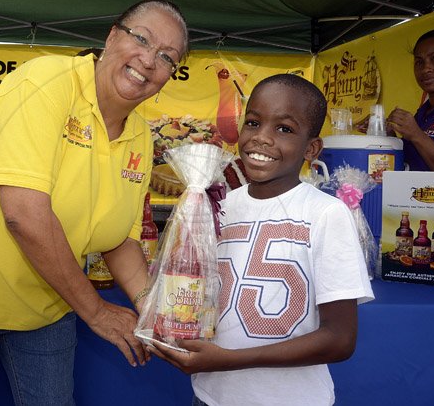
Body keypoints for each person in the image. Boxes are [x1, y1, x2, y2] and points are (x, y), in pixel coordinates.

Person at [0, 0, 188, 405]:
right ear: (111, 36)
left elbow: (119, 240)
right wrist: (96, 312)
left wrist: (156, 312)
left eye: (166, 57)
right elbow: (23, 214)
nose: (148, 59)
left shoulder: (140, 136)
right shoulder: (48, 81)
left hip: (49, 302)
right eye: (141, 38)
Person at [149, 74, 374, 406]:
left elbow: (340, 340)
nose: (261, 139)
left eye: (284, 129)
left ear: (311, 148)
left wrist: (227, 360)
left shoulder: (327, 213)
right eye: (253, 123)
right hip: (210, 396)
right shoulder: (219, 207)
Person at [386, 29, 434, 171]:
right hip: (414, 193)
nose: (426, 68)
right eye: (419, 62)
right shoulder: (423, 112)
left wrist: (416, 134)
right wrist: (388, 134)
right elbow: (411, 160)